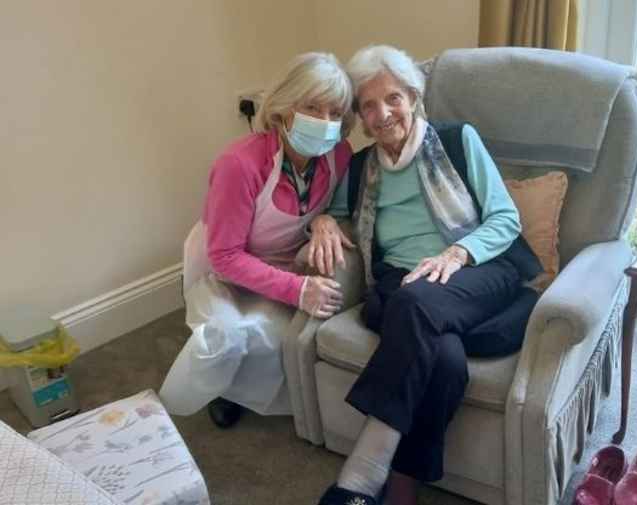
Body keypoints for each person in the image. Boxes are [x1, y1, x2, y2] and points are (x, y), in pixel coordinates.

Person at [312, 46, 542, 505]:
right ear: (359, 117)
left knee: (414, 303)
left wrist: (457, 254)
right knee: (447, 360)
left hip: (478, 269)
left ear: (414, 96)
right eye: (369, 106)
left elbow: (505, 219)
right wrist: (321, 221)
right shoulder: (359, 168)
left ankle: (361, 474)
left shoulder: (457, 141)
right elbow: (336, 216)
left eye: (393, 98)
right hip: (403, 280)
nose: (383, 114)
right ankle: (402, 483)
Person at [159, 52, 356, 429]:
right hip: (226, 272)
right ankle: (217, 391)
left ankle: (240, 384)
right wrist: (297, 290)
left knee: (279, 339)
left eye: (335, 112)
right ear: (283, 109)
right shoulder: (239, 164)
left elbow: (344, 208)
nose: (325, 122)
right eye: (312, 107)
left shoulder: (339, 155)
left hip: (285, 264)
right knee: (225, 339)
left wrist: (329, 220)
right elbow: (225, 256)